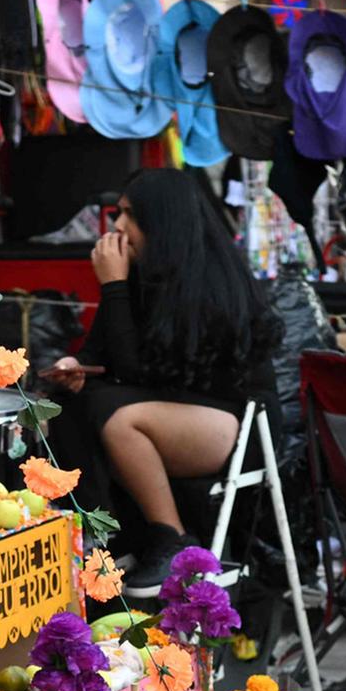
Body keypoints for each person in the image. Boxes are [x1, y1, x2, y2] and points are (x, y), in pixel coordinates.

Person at [48, 168, 278, 595]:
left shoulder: (210, 281)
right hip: (168, 414)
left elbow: (143, 372)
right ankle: (106, 538)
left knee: (116, 417)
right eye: (119, 213)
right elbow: (104, 355)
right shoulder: (140, 273)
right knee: (73, 402)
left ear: (161, 221)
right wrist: (76, 365)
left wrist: (113, 285)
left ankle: (170, 539)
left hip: (235, 423)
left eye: (129, 215)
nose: (118, 227)